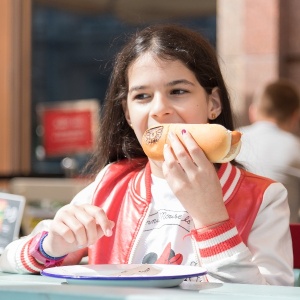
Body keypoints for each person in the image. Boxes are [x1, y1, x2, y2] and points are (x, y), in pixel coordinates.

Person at [0, 24, 293, 285]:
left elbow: (272, 294)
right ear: (127, 114)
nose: (159, 109)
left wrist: (212, 217)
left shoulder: (265, 197)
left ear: (213, 103)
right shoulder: (110, 183)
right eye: (142, 96)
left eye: (178, 91)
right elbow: (7, 261)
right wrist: (52, 245)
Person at [236, 79, 300, 223]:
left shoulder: (231, 141)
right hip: (284, 238)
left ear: (252, 111)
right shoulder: (296, 148)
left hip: (232, 235)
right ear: (295, 117)